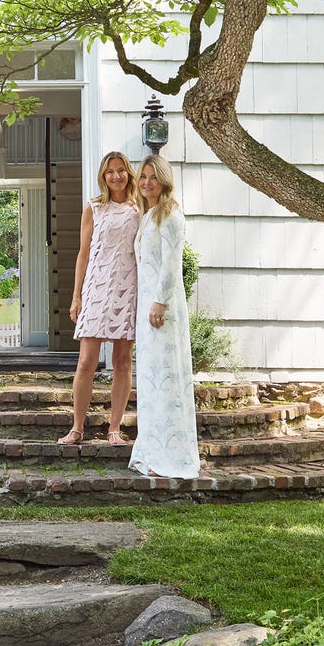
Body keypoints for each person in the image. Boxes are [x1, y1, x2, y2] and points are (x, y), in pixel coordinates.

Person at [57, 151, 140, 447]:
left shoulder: (139, 207)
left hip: (129, 288)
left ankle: (114, 428)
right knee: (86, 363)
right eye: (110, 171)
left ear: (129, 173)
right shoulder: (94, 207)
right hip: (96, 288)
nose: (116, 176)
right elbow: (83, 253)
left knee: (122, 362)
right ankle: (77, 428)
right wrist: (76, 295)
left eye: (121, 170)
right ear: (103, 176)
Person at [128, 155, 201, 479]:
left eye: (152, 177)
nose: (146, 183)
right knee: (150, 382)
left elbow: (171, 264)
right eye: (142, 177)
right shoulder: (149, 215)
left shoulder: (171, 214)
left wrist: (160, 302)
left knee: (167, 381)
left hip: (163, 311)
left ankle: (172, 452)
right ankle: (153, 450)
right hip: (147, 309)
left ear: (164, 180)